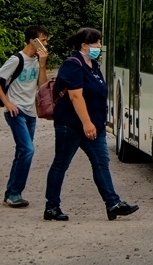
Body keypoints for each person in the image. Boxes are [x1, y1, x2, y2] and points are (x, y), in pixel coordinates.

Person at [43, 28, 138, 222]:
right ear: (84, 45)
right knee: (61, 164)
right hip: (71, 125)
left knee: (101, 163)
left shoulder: (93, 66)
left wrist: (95, 122)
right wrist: (86, 123)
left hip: (95, 125)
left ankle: (112, 203)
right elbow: (76, 96)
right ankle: (51, 206)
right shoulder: (73, 65)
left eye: (100, 42)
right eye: (96, 43)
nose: (99, 47)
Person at [2, 25, 49, 208]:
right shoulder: (16, 59)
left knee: (22, 152)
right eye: (43, 40)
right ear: (32, 41)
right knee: (28, 150)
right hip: (16, 111)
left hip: (30, 112)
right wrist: (8, 103)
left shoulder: (37, 61)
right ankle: (14, 193)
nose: (45, 44)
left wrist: (43, 64)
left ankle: (12, 193)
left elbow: (43, 87)